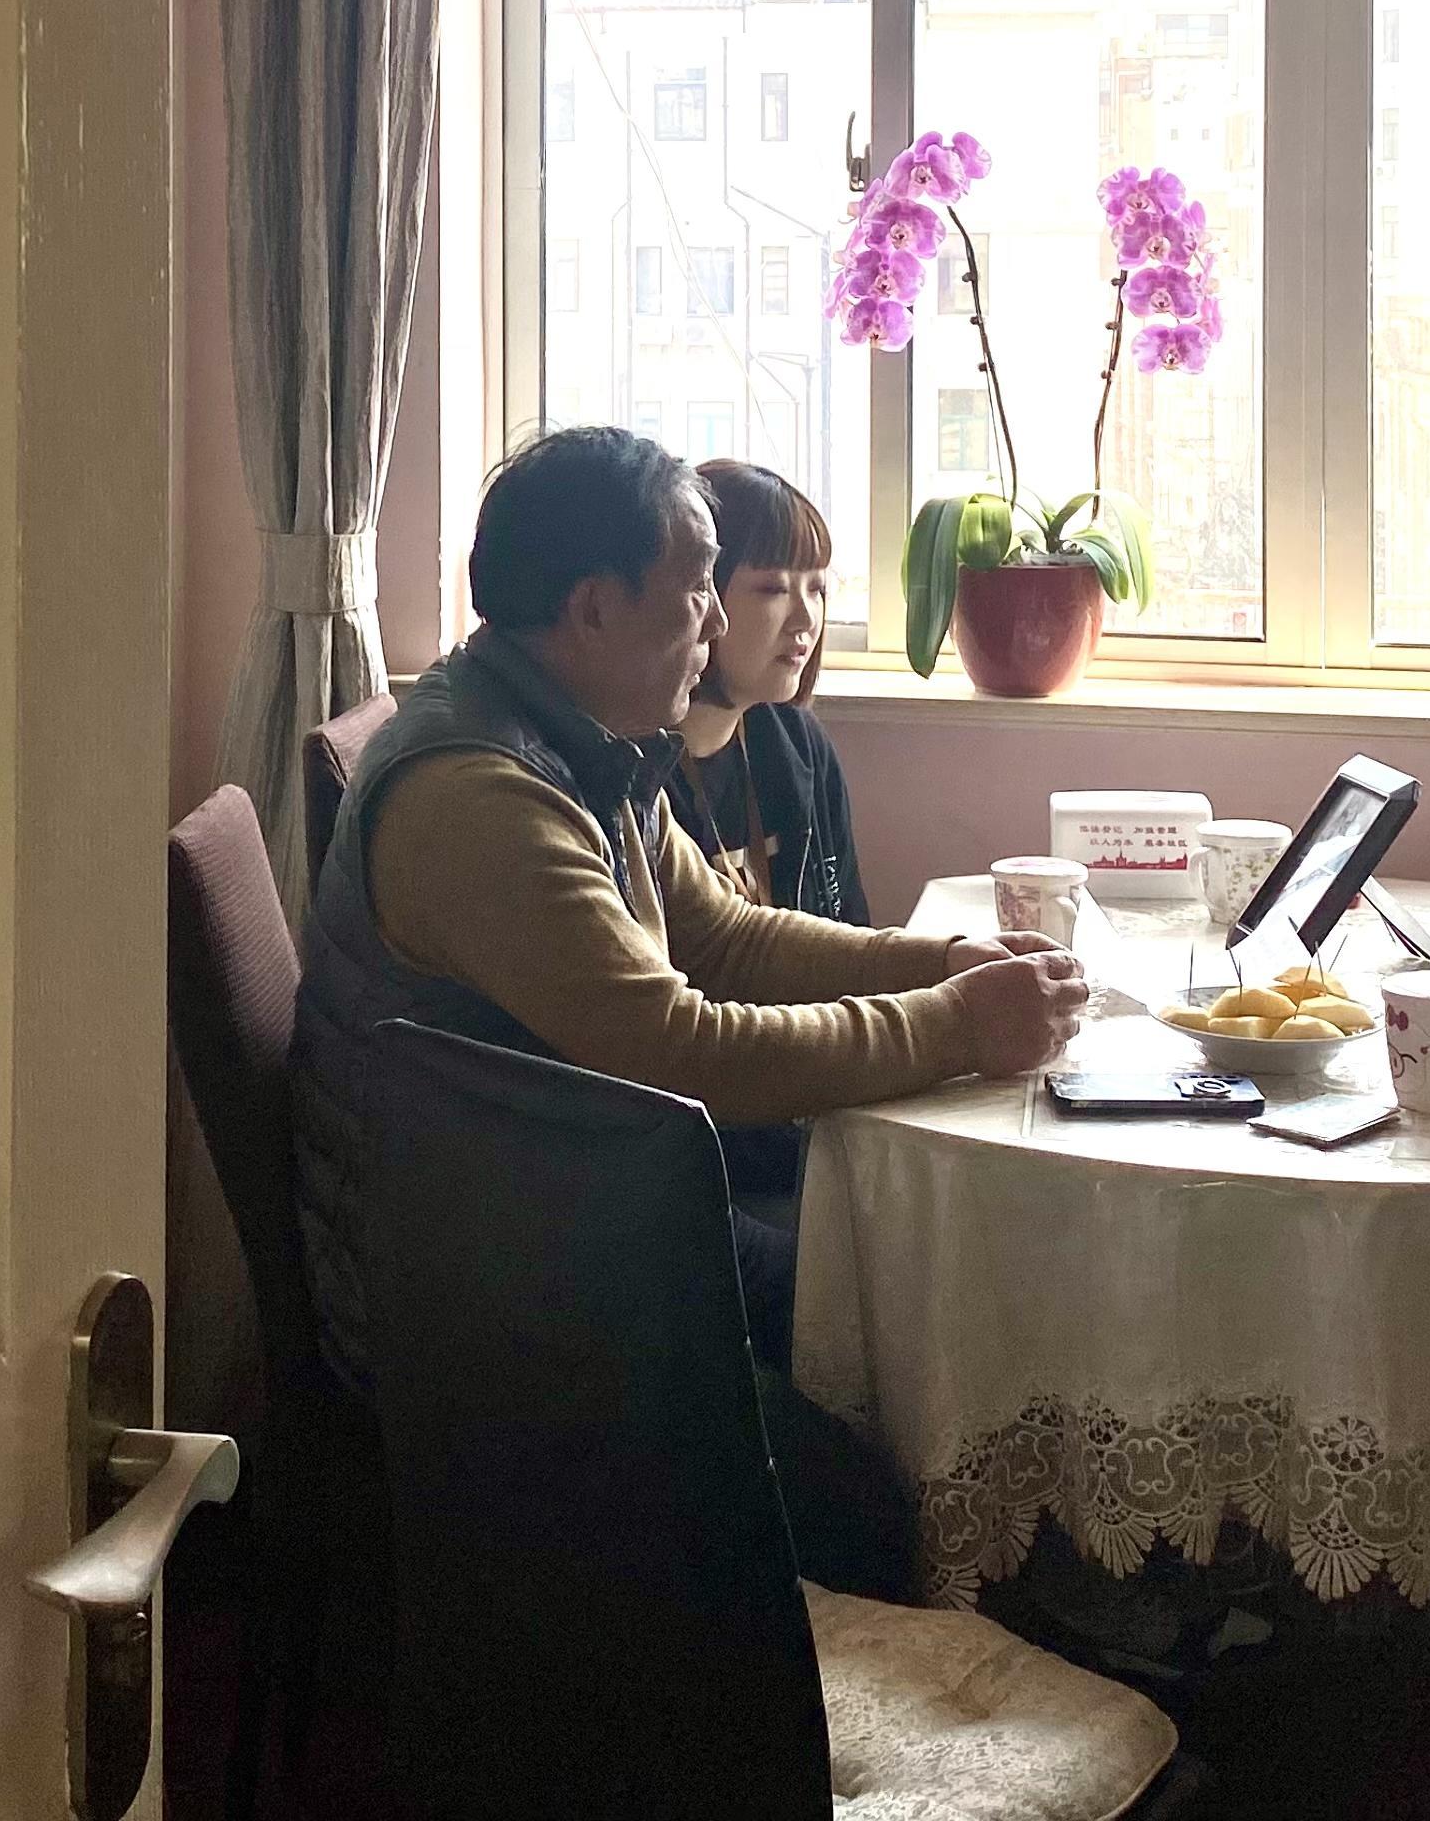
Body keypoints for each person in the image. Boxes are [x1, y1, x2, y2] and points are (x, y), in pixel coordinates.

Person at [293, 425, 1087, 1591]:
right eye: (700, 589)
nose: (715, 625)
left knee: (898, 1303)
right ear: (593, 610)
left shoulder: (584, 739)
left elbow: (725, 936)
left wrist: (943, 962)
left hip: (578, 1210)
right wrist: (959, 1026)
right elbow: (681, 1049)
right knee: (876, 1475)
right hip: (489, 1301)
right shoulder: (480, 797)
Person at [663, 461, 874, 1349]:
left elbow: (849, 931)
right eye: (772, 588)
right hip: (721, 1139)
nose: (805, 618)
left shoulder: (794, 743)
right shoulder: (629, 771)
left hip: (806, 1104)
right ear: (698, 596)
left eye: (818, 588)